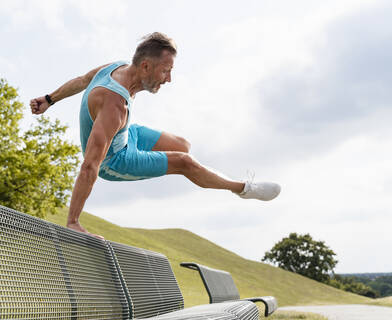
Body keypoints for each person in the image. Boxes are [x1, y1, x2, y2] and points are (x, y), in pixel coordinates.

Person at [30, 32, 281, 239]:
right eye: (165, 71)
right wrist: (73, 221)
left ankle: (193, 172)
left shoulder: (115, 67)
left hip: (126, 133)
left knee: (183, 146)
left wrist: (50, 99)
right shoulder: (114, 107)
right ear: (146, 66)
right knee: (185, 163)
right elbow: (90, 165)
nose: (169, 79)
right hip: (115, 160)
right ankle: (243, 189)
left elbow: (83, 79)